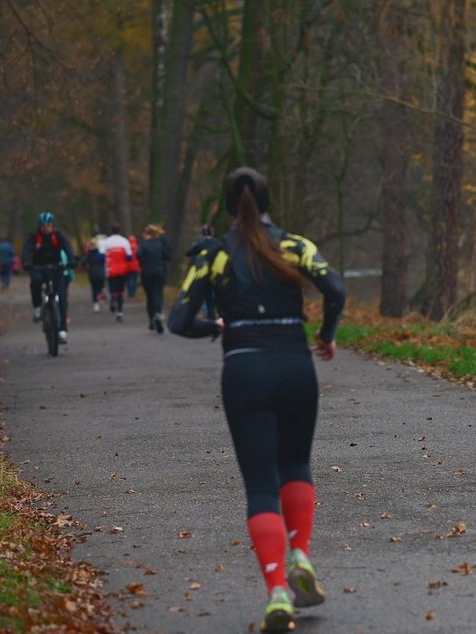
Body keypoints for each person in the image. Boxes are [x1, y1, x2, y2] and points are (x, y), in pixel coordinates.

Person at [168, 167, 345, 633]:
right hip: (295, 364)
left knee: (261, 486)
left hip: (244, 368)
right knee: (296, 466)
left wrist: (218, 327)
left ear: (228, 206)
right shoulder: (295, 246)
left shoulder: (215, 254)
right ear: (268, 203)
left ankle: (277, 594)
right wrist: (326, 335)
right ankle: (301, 554)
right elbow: (336, 288)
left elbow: (179, 319)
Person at [22, 212, 76, 344]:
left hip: (56, 268)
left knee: (62, 299)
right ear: (39, 226)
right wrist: (26, 262)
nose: (46, 228)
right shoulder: (34, 237)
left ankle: (63, 330)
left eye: (49, 225)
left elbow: (68, 248)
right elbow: (27, 250)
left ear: (53, 226)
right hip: (39, 267)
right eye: (43, 226)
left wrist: (71, 261)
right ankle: (37, 308)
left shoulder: (58, 236)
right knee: (36, 282)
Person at [137, 224, 171, 333]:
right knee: (158, 294)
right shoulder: (160, 244)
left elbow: (138, 255)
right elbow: (167, 256)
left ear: (147, 234)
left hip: (146, 272)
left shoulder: (144, 245)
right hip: (159, 272)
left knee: (149, 296)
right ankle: (158, 313)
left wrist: (144, 262)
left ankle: (151, 319)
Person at [97, 223, 133, 322]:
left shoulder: (105, 242)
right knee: (120, 292)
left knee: (113, 288)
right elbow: (129, 257)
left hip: (110, 269)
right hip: (122, 269)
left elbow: (100, 257)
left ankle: (113, 298)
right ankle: (119, 312)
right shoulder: (125, 241)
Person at [84, 232, 107, 313]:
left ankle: (96, 304)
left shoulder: (89, 254)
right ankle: (101, 296)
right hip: (101, 273)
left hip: (92, 273)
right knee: (100, 287)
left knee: (94, 289)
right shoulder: (102, 254)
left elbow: (84, 262)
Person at [126, 234, 142, 298]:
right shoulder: (138, 247)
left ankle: (130, 292)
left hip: (128, 266)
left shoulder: (127, 247)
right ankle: (134, 292)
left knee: (129, 279)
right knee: (135, 279)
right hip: (136, 266)